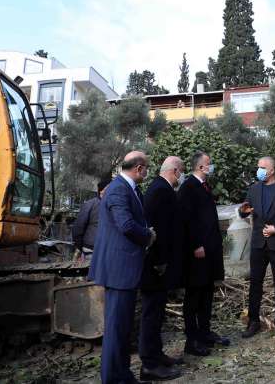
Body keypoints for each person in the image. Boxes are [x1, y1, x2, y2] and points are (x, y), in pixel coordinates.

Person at [89, 151, 156, 384]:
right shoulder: (119, 189)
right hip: (119, 270)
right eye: (146, 167)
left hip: (124, 269)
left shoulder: (129, 189)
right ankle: (113, 378)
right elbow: (126, 225)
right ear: (138, 168)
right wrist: (148, 236)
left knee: (122, 328)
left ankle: (122, 375)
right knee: (116, 329)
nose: (148, 171)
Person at [238, 156, 275, 339]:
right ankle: (253, 321)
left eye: (263, 167)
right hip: (258, 244)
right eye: (258, 167)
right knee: (255, 283)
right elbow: (245, 210)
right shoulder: (254, 189)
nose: (259, 170)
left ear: (272, 170)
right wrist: (243, 211)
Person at [138, 157, 186, 381]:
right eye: (182, 172)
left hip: (159, 265)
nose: (181, 176)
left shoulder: (161, 188)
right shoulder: (159, 191)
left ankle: (157, 355)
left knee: (157, 314)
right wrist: (159, 261)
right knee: (151, 315)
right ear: (175, 171)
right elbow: (155, 230)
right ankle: (149, 364)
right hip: (155, 265)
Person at [177, 151, 227, 356]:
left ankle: (205, 333)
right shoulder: (188, 187)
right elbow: (185, 220)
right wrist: (195, 244)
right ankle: (192, 339)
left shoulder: (203, 186)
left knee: (207, 294)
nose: (211, 166)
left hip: (210, 252)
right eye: (209, 164)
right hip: (197, 253)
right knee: (194, 296)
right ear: (200, 167)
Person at [72, 178, 111, 257]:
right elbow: (79, 226)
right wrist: (79, 246)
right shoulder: (90, 204)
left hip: (108, 250)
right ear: (101, 191)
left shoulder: (114, 205)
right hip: (90, 250)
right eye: (109, 188)